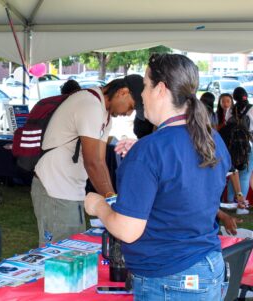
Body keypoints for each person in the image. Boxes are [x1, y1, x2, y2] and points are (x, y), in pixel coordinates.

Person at [85, 54, 230, 300]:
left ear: (160, 89)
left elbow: (127, 230)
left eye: (146, 85)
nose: (141, 94)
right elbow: (187, 185)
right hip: (206, 266)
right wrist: (143, 157)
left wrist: (98, 206)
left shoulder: (150, 151)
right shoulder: (211, 139)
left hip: (168, 277)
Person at [31, 75, 144, 246]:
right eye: (131, 107)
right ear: (123, 92)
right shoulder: (89, 105)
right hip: (55, 187)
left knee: (72, 251)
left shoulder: (104, 115)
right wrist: (112, 203)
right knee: (58, 257)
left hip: (70, 189)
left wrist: (111, 199)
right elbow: (92, 162)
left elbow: (100, 161)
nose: (128, 113)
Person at [224, 87, 253, 209]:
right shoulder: (251, 109)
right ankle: (241, 207)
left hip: (232, 146)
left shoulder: (231, 109)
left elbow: (227, 124)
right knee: (245, 176)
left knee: (233, 173)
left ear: (234, 98)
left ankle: (231, 202)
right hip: (249, 146)